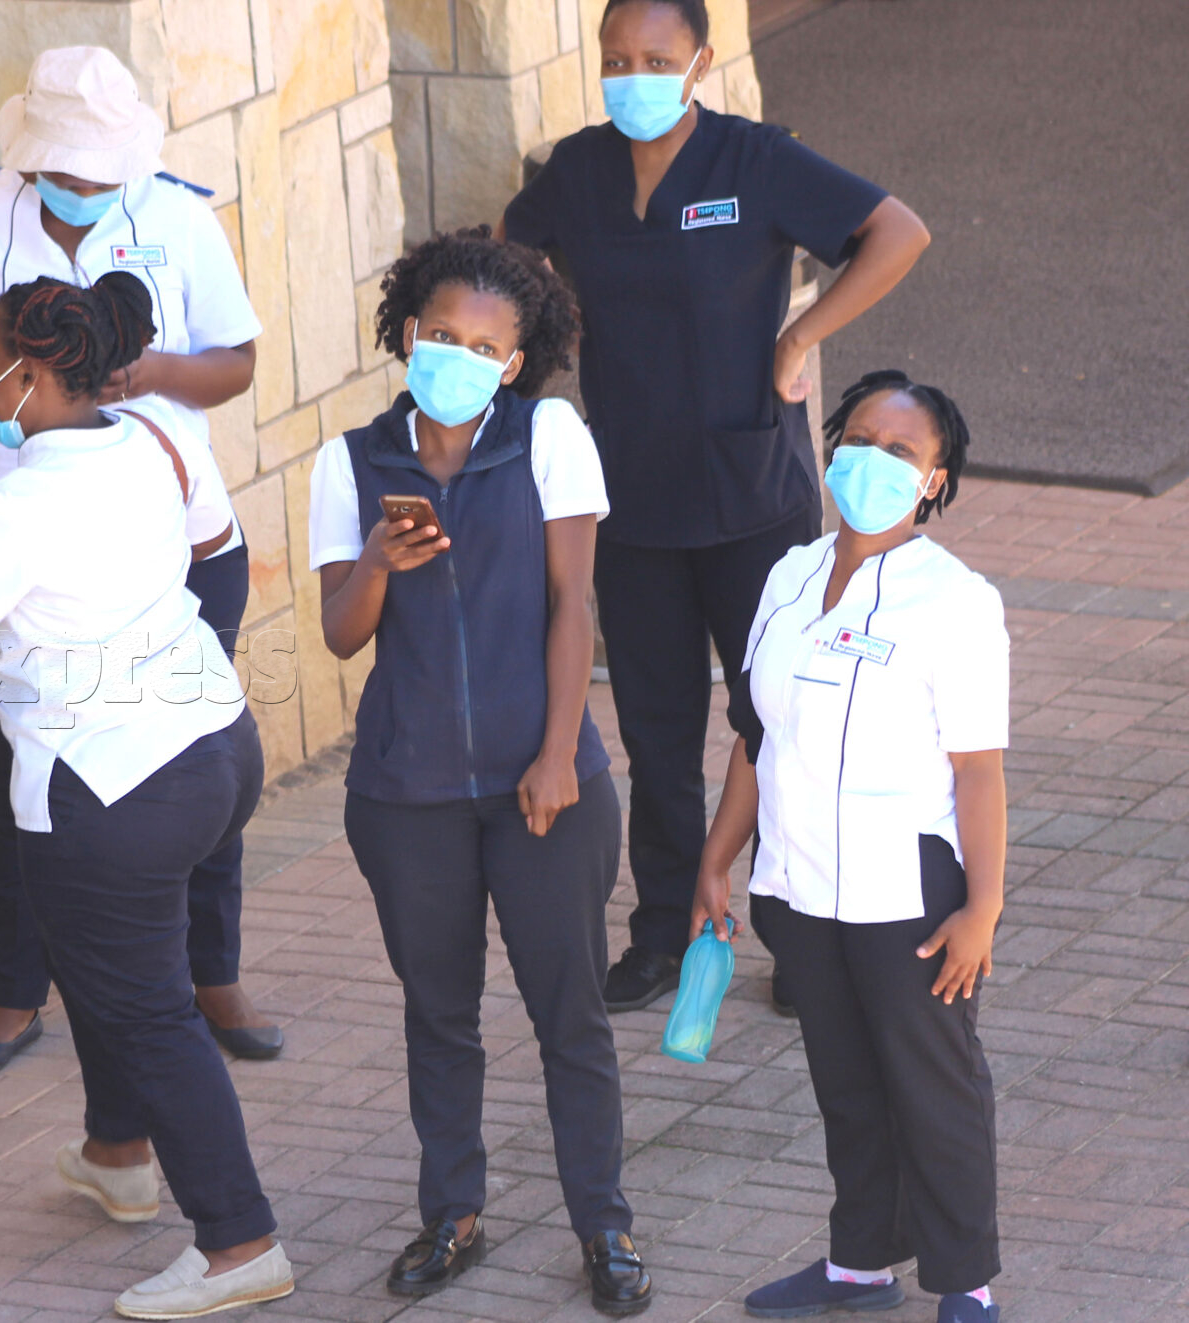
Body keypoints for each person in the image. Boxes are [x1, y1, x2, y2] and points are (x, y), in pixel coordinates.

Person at [0, 274, 288, 1320]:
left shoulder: (15, 502)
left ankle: (239, 1242)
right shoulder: (154, 436)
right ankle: (117, 1153)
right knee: (105, 961)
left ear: (34, 374)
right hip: (215, 744)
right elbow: (209, 548)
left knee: (147, 1007)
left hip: (111, 790)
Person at [500, 0, 931, 1012]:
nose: (633, 77)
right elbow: (505, 262)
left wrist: (800, 336)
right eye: (615, 59)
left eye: (656, 59)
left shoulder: (755, 160)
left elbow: (896, 232)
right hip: (633, 503)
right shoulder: (578, 171)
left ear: (698, 62)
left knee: (774, 721)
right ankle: (662, 932)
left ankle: (797, 935)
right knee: (656, 736)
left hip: (750, 499)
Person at [0, 43, 280, 1072]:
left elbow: (237, 360)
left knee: (195, 751)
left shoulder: (178, 216)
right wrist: (22, 388)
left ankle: (212, 973)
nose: (83, 188)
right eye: (64, 172)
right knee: (25, 764)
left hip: (176, 534)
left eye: (100, 174)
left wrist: (144, 373)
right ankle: (16, 991)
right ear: (30, 155)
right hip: (26, 552)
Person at [308, 230, 651, 1315]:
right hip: (405, 793)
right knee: (439, 1013)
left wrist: (556, 754)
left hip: (542, 788)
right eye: (441, 334)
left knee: (569, 1015)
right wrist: (377, 560)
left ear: (514, 362)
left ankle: (604, 1225)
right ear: (408, 332)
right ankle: (452, 1215)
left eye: (483, 345)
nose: (456, 355)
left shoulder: (549, 436)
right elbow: (340, 634)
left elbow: (572, 606)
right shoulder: (349, 462)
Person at [692, 372, 1007, 1323]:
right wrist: (716, 859)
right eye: (860, 439)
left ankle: (967, 1282)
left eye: (900, 451)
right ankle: (861, 1263)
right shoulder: (788, 576)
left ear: (934, 479)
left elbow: (979, 770)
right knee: (847, 1082)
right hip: (796, 884)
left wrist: (983, 907)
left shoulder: (955, 601)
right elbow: (756, 737)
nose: (873, 460)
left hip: (906, 894)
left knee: (934, 1087)